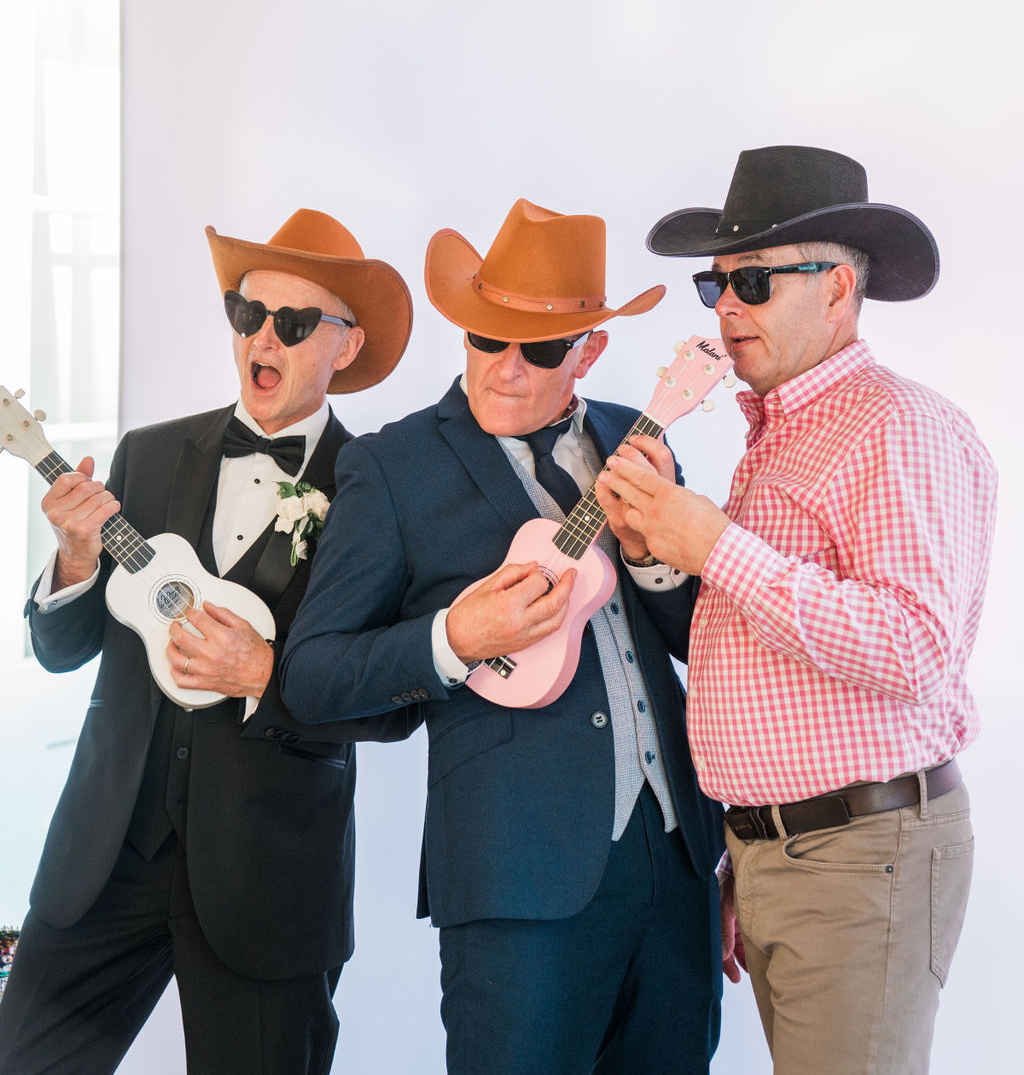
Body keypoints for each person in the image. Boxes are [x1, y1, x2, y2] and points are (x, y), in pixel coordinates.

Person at [281, 197, 725, 1075]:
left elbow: (699, 639)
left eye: (543, 348)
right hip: (516, 886)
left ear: (589, 350)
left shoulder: (633, 439)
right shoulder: (392, 466)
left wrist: (653, 559)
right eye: (488, 339)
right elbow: (312, 676)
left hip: (675, 863)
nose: (509, 369)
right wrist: (452, 638)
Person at [594, 146, 998, 1075]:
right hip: (794, 854)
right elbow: (766, 652)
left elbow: (916, 647)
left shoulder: (898, 425)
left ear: (839, 289)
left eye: (756, 281)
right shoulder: (779, 437)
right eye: (718, 283)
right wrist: (755, 846)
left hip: (864, 859)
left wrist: (712, 545)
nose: (728, 305)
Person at [0, 209, 419, 1075]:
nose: (263, 337)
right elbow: (63, 649)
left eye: (295, 323)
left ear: (347, 344)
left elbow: (399, 699)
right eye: (247, 313)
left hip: (268, 881)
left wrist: (267, 675)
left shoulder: (376, 487)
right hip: (105, 855)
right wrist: (75, 559)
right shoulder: (147, 457)